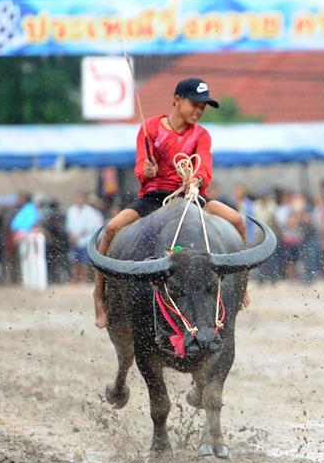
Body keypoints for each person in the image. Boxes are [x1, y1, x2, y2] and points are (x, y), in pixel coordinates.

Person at [92, 78, 246, 328]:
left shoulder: (202, 135)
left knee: (237, 220)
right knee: (110, 229)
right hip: (154, 198)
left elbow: (205, 167)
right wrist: (147, 171)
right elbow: (140, 166)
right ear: (176, 100)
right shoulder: (149, 128)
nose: (199, 111)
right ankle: (99, 294)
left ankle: (242, 286)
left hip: (191, 196)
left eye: (203, 107)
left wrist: (196, 179)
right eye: (194, 104)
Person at [66, 192, 104, 283]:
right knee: (74, 261)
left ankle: (84, 279)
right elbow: (68, 225)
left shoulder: (90, 211)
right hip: (73, 240)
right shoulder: (71, 210)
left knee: (84, 262)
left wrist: (78, 235)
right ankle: (74, 279)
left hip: (84, 240)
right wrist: (71, 236)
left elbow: (89, 227)